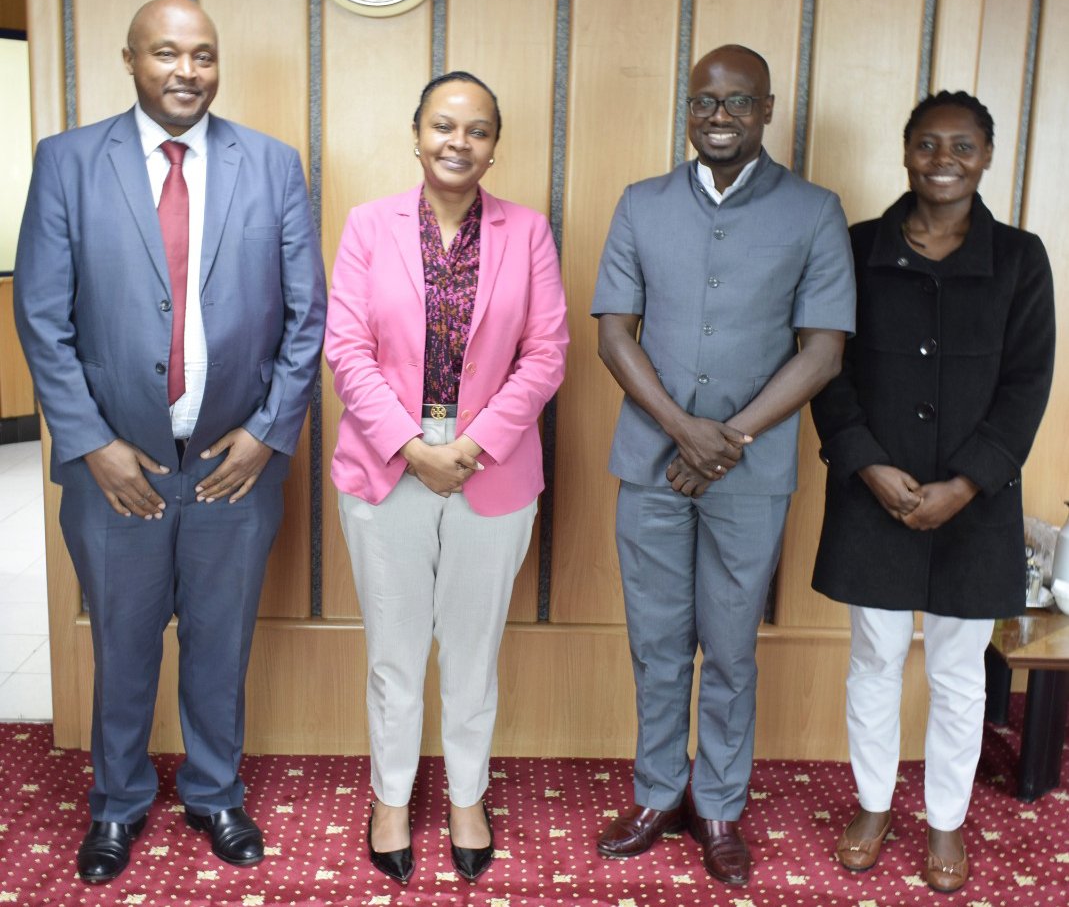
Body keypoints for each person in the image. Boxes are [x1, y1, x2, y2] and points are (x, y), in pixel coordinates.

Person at [13, 0, 326, 885]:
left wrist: (267, 436)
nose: (187, 71)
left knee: (221, 640)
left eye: (203, 55)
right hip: (117, 467)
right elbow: (41, 315)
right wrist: (92, 444)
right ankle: (116, 803)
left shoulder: (271, 165)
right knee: (123, 639)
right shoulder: (70, 162)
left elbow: (308, 318)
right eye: (167, 54)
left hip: (235, 466)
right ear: (130, 59)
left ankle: (215, 791)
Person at [592, 45, 856, 886]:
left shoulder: (814, 211)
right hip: (650, 463)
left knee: (732, 646)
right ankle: (657, 792)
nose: (719, 117)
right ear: (688, 108)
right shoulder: (641, 205)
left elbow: (822, 354)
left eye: (738, 103)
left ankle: (717, 807)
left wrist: (727, 439)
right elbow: (612, 335)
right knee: (657, 641)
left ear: (766, 111)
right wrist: (682, 431)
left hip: (751, 471)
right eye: (705, 102)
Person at [325, 71, 568, 885]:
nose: (457, 143)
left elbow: (546, 355)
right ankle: (390, 797)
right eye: (442, 126)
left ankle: (467, 794)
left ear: (495, 144)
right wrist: (408, 444)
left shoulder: (528, 232)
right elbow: (347, 353)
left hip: (490, 470)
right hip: (384, 464)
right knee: (394, 653)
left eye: (476, 130)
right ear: (416, 132)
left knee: (471, 650)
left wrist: (473, 445)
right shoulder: (366, 226)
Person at [811, 91, 1055, 893]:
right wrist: (864, 464)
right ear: (905, 150)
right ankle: (874, 804)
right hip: (871, 490)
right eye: (926, 144)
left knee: (957, 671)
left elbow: (1025, 387)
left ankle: (944, 820)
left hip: (972, 503)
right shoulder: (854, 249)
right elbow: (826, 367)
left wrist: (968, 482)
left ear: (986, 156)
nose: (942, 160)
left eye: (961, 146)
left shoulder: (1021, 258)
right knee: (874, 657)